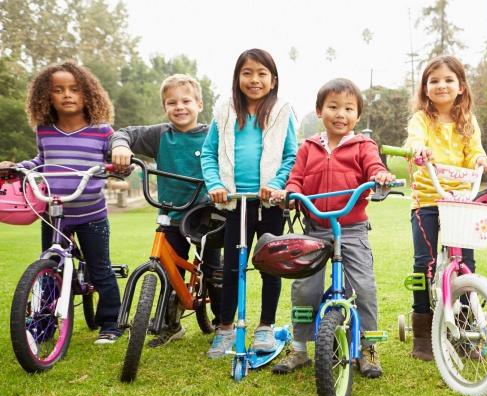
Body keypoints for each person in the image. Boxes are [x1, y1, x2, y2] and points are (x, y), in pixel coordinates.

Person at [268, 78, 394, 378]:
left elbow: (374, 167)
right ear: (319, 111)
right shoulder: (309, 147)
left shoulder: (363, 145)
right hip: (315, 227)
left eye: (349, 108)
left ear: (357, 116)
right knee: (304, 288)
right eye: (333, 107)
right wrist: (288, 192)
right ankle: (298, 348)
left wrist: (380, 176)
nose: (341, 114)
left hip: (352, 229)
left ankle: (367, 347)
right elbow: (296, 178)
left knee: (363, 287)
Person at [0, 62, 122, 344]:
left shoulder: (101, 131)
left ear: (87, 94)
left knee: (101, 269)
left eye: (74, 89)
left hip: (92, 214)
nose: (67, 95)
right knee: (50, 267)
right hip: (55, 214)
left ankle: (111, 323)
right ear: (47, 96)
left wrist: (119, 164)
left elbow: (114, 159)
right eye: (58, 90)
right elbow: (42, 161)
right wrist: (18, 167)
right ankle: (44, 325)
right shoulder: (45, 131)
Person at [110, 74, 221, 347]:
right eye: (172, 102)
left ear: (199, 104)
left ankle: (223, 323)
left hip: (205, 215)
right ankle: (170, 324)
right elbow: (124, 133)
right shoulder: (160, 135)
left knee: (214, 269)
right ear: (164, 107)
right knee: (170, 269)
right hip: (171, 213)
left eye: (186, 101)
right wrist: (121, 146)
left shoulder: (211, 135)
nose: (179, 107)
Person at [201, 49, 297, 359]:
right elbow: (209, 154)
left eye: (261, 73)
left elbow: (290, 156)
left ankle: (265, 327)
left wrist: (277, 184)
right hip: (234, 203)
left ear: (273, 80)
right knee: (232, 267)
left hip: (268, 204)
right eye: (247, 73)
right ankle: (226, 328)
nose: (254, 79)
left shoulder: (282, 111)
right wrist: (215, 185)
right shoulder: (225, 111)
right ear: (237, 77)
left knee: (271, 265)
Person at [404, 55, 487, 361]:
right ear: (425, 88)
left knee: (466, 263)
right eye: (434, 80)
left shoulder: (467, 122)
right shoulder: (421, 120)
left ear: (460, 87)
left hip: (461, 200)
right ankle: (422, 326)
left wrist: (482, 160)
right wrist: (418, 149)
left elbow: (474, 153)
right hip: (428, 200)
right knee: (424, 264)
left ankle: (466, 325)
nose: (441, 85)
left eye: (448, 80)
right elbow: (414, 141)